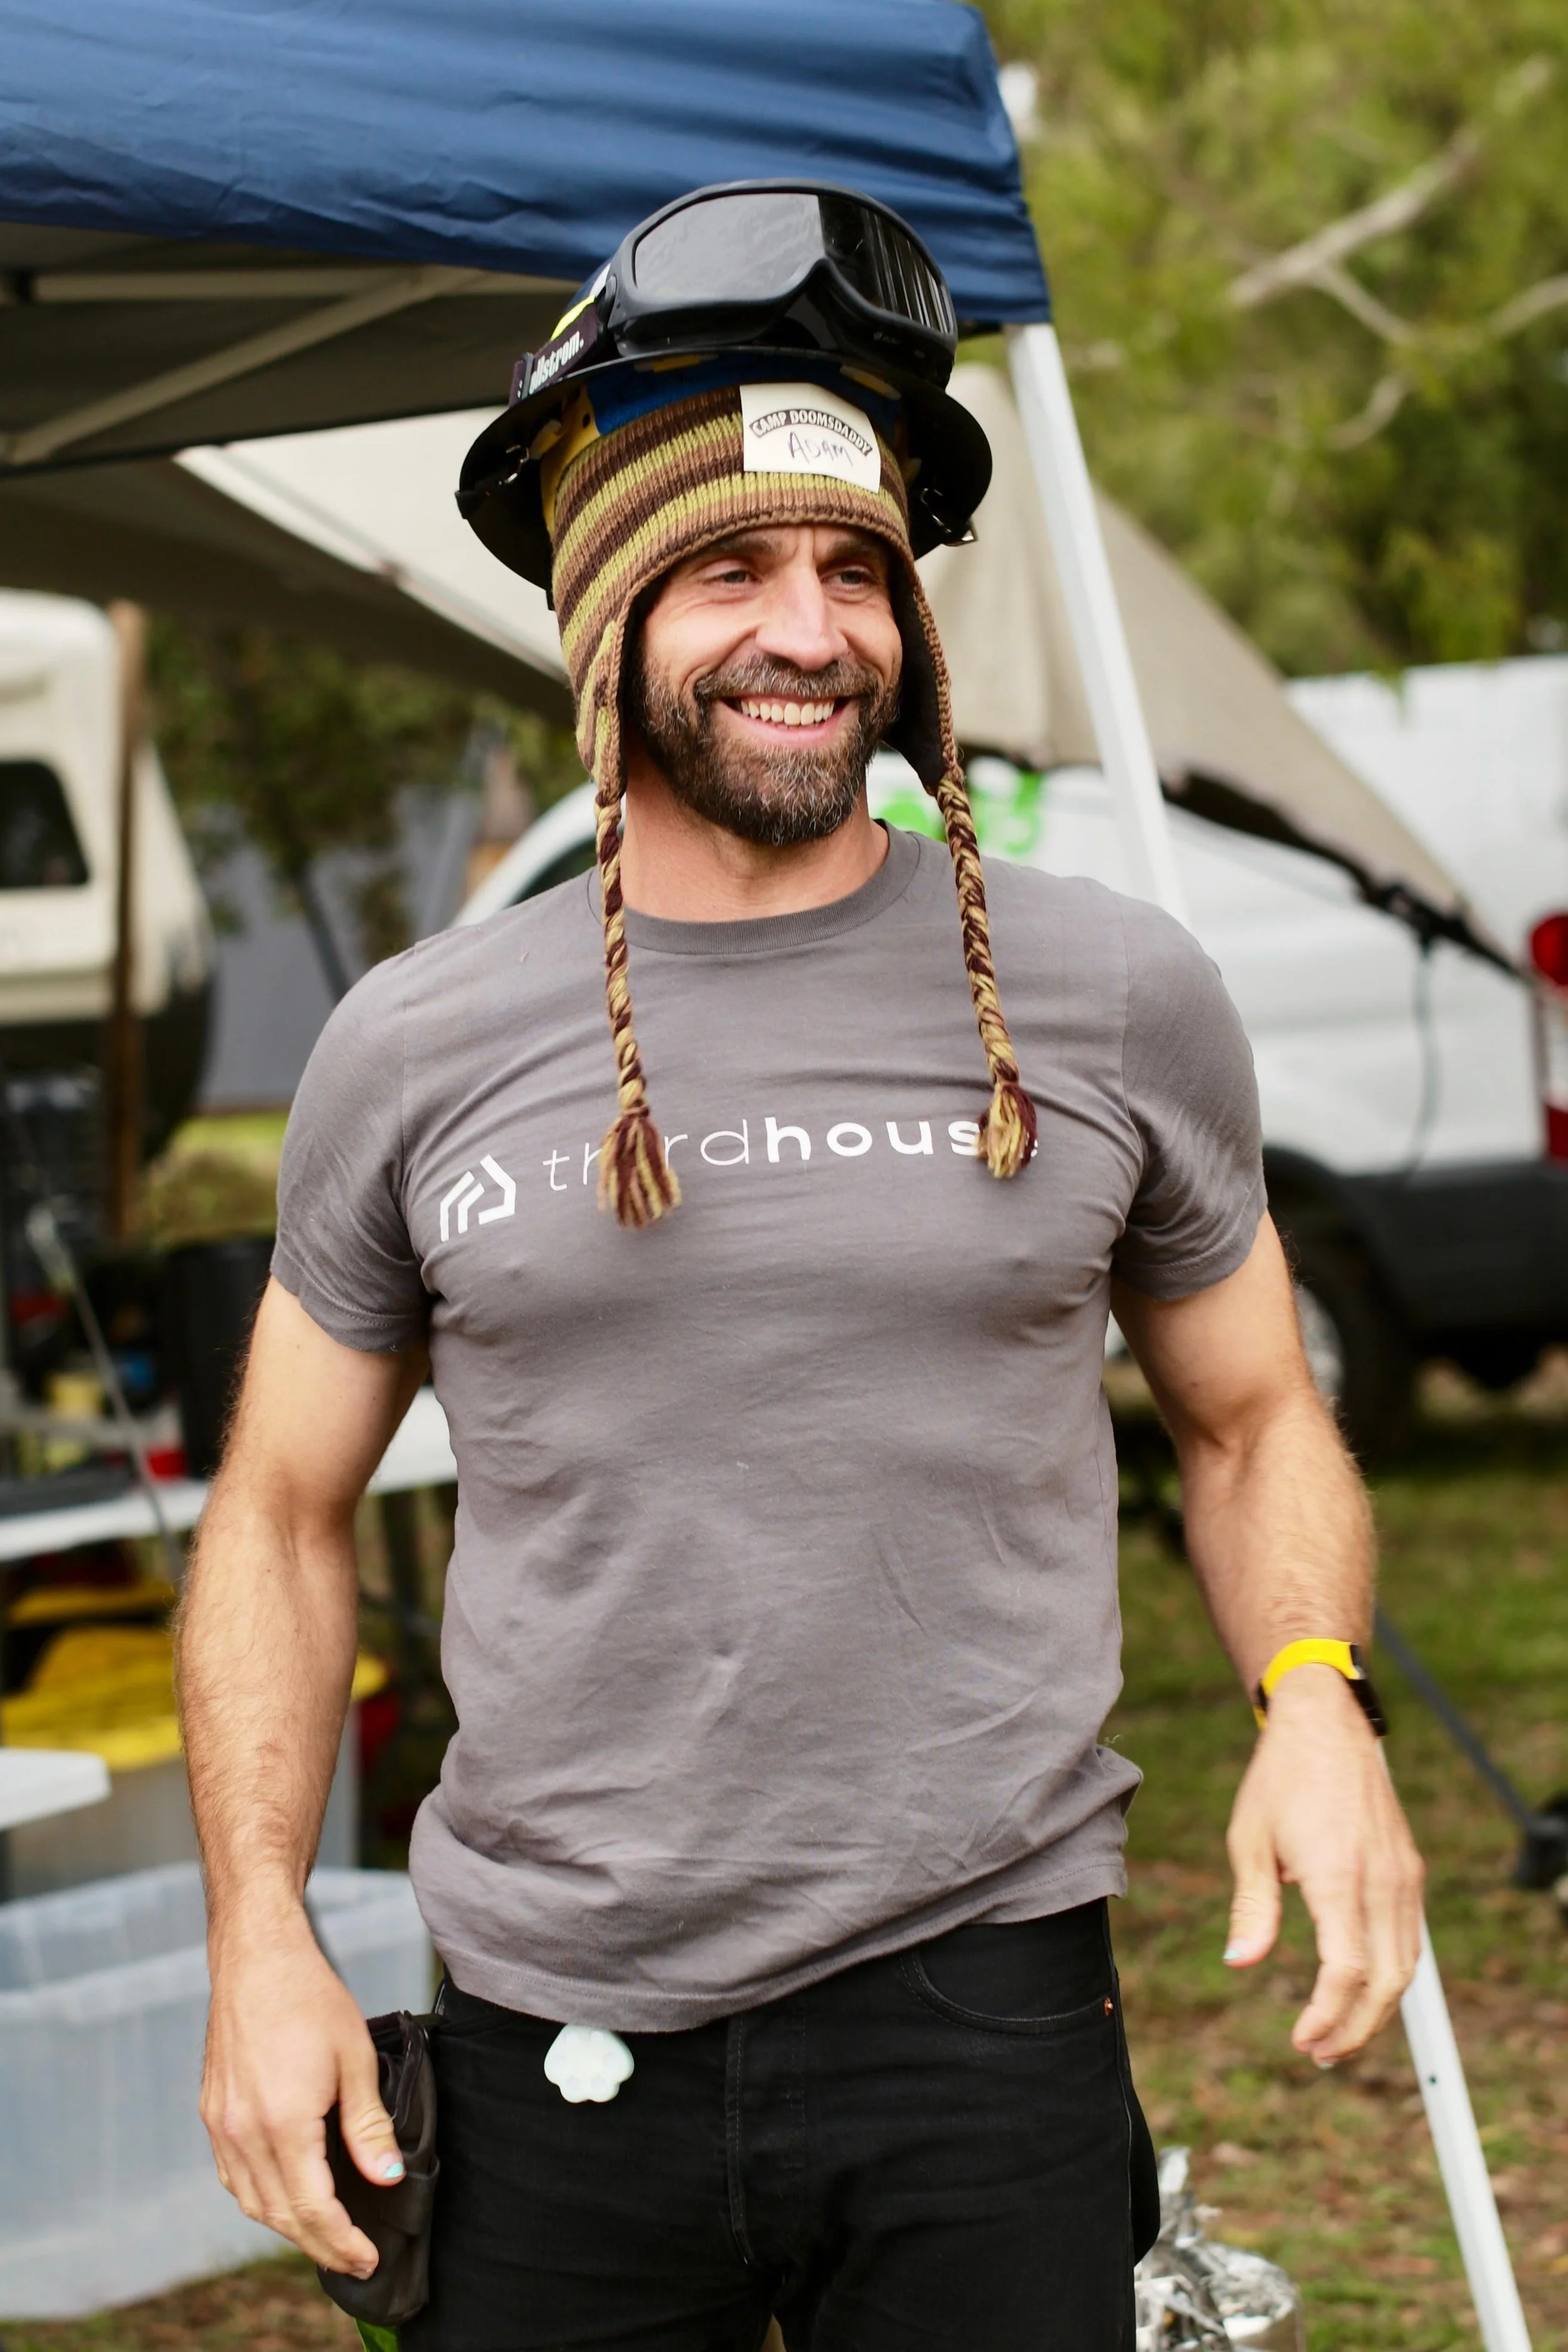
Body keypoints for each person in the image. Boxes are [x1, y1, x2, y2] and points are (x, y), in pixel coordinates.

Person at [177, 184, 1424, 2352]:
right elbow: (279, 1514)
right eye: (732, 566)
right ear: (602, 615)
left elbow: (1249, 1416)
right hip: (549, 2030)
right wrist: (257, 1934)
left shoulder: (1114, 995)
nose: (812, 626)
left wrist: (1315, 1701)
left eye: (855, 570)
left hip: (981, 2004)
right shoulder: (415, 1039)